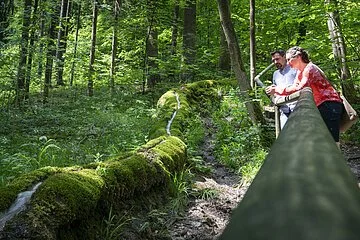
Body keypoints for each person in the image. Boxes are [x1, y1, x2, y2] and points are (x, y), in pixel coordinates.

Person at [265, 46, 343, 147]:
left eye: (289, 59)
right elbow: (294, 86)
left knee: (332, 140)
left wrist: (277, 90)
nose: (288, 63)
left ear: (298, 57)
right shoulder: (300, 72)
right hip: (318, 106)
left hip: (329, 105)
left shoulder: (309, 69)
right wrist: (277, 92)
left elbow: (300, 88)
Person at [270, 50, 297, 129]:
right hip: (283, 110)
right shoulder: (275, 74)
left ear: (284, 57)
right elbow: (275, 90)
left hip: (297, 108)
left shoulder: (295, 69)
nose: (275, 62)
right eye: (273, 60)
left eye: (277, 59)